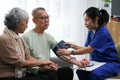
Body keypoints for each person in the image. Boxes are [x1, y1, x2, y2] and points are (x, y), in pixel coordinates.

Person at [57, 7, 120, 80]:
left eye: (87, 20)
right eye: (84, 20)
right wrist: (73, 46)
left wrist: (70, 52)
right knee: (80, 72)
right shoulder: (91, 31)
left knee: (95, 75)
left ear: (96, 19)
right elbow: (86, 48)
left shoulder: (103, 33)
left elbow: (89, 50)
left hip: (110, 63)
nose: (85, 23)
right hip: (97, 63)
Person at [22, 7, 83, 80]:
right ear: (34, 20)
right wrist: (40, 69)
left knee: (68, 71)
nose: (46, 20)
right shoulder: (25, 37)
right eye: (42, 18)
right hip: (34, 71)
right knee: (51, 75)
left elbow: (60, 53)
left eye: (47, 17)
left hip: (48, 69)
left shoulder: (48, 37)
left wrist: (77, 63)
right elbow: (25, 60)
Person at [0, 7, 58, 80]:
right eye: (26, 22)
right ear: (17, 22)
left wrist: (46, 64)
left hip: (20, 75)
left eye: (47, 18)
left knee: (50, 74)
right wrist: (42, 62)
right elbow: (19, 63)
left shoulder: (19, 38)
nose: (27, 26)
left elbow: (28, 57)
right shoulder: (4, 38)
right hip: (8, 77)